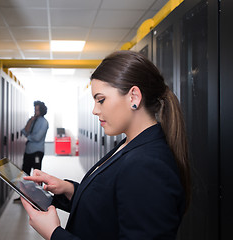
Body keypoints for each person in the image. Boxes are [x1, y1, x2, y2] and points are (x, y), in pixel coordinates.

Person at [20, 50, 191, 240]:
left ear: (133, 97)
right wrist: (67, 188)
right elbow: (109, 205)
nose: (94, 110)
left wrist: (55, 234)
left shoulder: (147, 163)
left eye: (101, 100)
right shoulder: (130, 144)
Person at [14, 100, 49, 202]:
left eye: (37, 109)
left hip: (37, 151)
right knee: (24, 173)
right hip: (28, 150)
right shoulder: (33, 120)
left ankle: (38, 197)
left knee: (37, 174)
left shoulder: (44, 122)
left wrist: (28, 137)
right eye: (35, 109)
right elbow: (24, 131)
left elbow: (37, 137)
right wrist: (30, 121)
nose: (35, 111)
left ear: (41, 110)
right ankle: (24, 196)